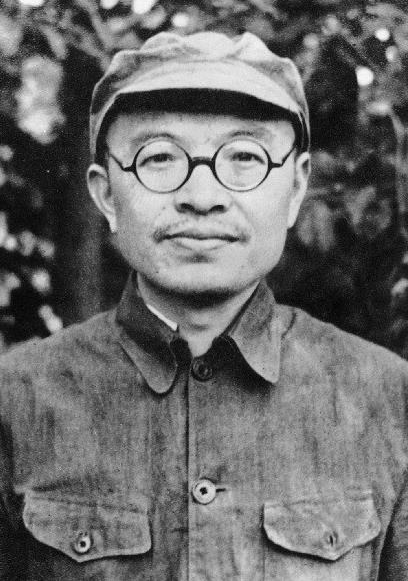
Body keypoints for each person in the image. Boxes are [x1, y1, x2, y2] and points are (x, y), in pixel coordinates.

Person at [0, 30, 407, 581]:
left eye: (245, 157)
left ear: (295, 189)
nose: (202, 196)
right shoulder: (15, 403)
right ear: (106, 193)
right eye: (159, 157)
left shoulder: (388, 400)